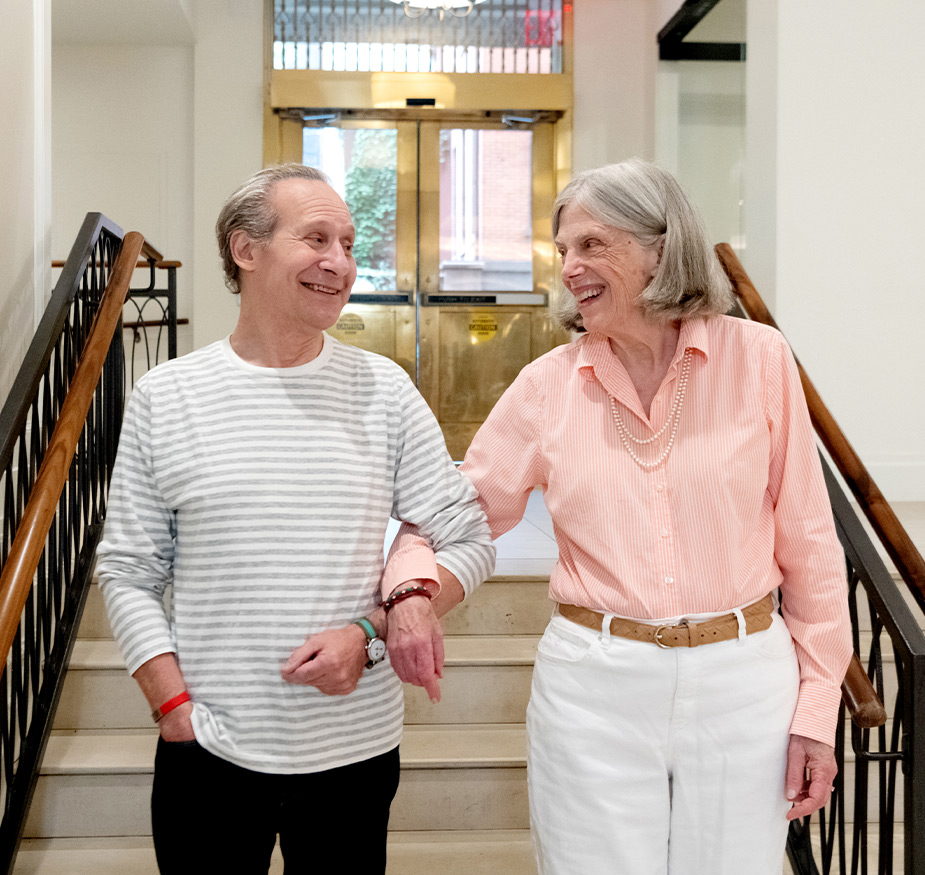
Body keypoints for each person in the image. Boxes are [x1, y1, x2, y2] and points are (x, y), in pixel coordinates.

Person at [391, 158, 852, 874]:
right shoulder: (546, 385)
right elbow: (458, 514)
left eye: (591, 244)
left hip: (744, 680)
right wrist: (411, 592)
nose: (569, 267)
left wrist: (817, 713)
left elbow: (812, 547)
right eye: (562, 250)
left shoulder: (757, 356)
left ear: (661, 249)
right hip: (593, 685)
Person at [95, 163, 494, 874]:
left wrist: (384, 621)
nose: (339, 262)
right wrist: (173, 705)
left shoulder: (384, 390)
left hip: (354, 751)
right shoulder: (167, 396)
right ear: (245, 250)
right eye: (316, 238)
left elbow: (466, 535)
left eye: (347, 242)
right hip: (206, 747)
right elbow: (128, 568)